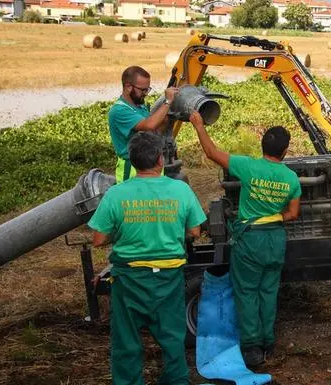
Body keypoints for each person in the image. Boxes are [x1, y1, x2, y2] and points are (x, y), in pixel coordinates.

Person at [88, 129, 207, 385]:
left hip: (130, 279)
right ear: (160, 160)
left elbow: (98, 239)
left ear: (132, 161)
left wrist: (123, 232)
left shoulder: (117, 194)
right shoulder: (180, 190)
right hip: (169, 278)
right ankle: (175, 381)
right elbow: (195, 231)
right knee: (172, 338)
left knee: (126, 341)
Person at [191, 119, 301, 369]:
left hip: (250, 240)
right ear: (285, 151)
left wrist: (198, 124)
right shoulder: (291, 178)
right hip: (275, 240)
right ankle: (268, 340)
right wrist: (274, 216)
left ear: (262, 147)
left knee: (247, 292)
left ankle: (252, 347)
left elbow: (211, 152)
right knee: (268, 291)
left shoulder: (248, 166)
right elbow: (293, 214)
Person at [108, 65, 179, 183]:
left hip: (152, 166)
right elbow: (149, 125)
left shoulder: (140, 106)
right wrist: (167, 102)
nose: (146, 93)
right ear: (128, 86)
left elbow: (153, 131)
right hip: (133, 169)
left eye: (148, 89)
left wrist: (166, 119)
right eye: (143, 90)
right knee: (133, 202)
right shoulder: (119, 111)